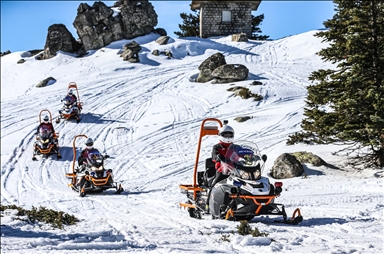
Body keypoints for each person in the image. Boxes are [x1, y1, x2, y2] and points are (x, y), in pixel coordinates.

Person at [205, 124, 235, 212]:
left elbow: (241, 154)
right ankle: (208, 205)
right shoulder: (217, 147)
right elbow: (214, 156)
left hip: (235, 171)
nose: (228, 137)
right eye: (225, 135)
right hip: (222, 171)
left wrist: (249, 156)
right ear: (221, 135)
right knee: (215, 184)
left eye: (230, 135)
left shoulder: (234, 147)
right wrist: (217, 157)